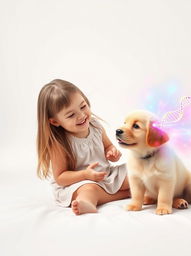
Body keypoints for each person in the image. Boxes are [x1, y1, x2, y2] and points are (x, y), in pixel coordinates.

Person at [37, 79, 130, 215]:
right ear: (55, 121)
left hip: (105, 174)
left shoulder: (96, 126)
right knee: (89, 190)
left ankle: (136, 189)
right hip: (77, 183)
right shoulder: (60, 143)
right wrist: (85, 175)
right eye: (71, 115)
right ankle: (92, 202)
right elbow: (61, 177)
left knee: (136, 169)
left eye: (83, 106)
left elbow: (108, 146)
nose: (81, 115)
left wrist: (112, 152)